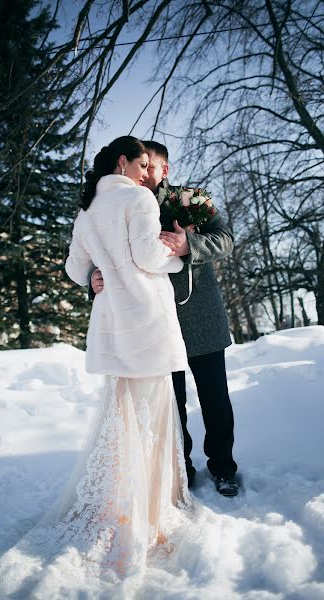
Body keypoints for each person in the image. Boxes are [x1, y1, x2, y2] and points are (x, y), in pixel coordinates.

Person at [0, 137, 205, 595]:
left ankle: (124, 503)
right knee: (152, 419)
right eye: (143, 164)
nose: (149, 173)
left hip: (112, 323)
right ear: (122, 163)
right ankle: (149, 512)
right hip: (146, 321)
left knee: (124, 415)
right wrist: (179, 252)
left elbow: (72, 267)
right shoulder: (139, 198)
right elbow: (149, 256)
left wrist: (93, 275)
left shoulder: (86, 212)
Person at [91, 140, 239, 497]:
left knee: (215, 398)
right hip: (153, 324)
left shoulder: (191, 201)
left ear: (165, 170)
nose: (144, 176)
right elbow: (104, 255)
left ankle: (223, 467)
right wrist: (93, 280)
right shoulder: (119, 206)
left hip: (200, 316)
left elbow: (226, 239)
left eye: (150, 168)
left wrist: (190, 245)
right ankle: (180, 469)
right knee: (170, 404)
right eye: (140, 167)